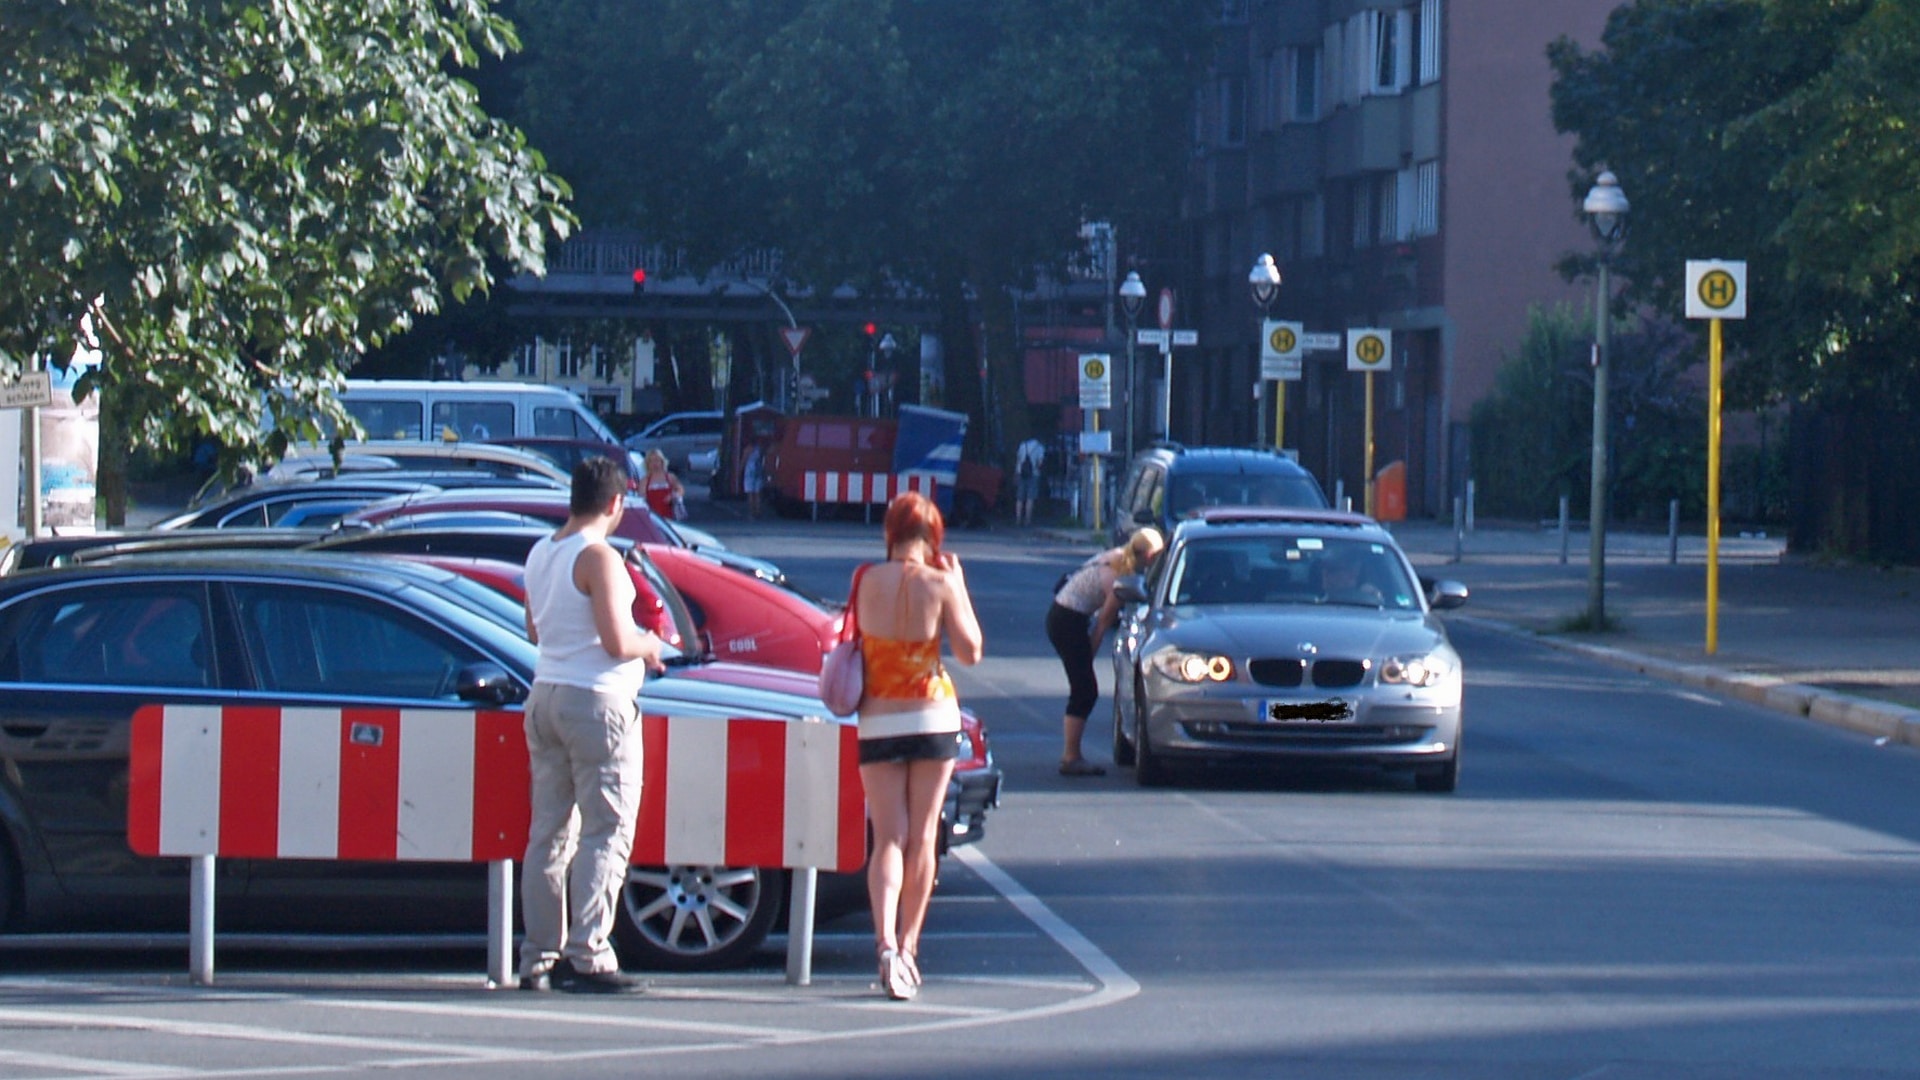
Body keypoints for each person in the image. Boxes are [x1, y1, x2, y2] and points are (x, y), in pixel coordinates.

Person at [518, 456, 668, 994]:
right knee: (606, 830)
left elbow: (535, 629)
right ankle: (589, 952)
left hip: (546, 693)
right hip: (598, 700)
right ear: (615, 504)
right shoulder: (599, 557)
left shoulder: (541, 552)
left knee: (550, 832)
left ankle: (539, 954)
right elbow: (616, 642)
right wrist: (650, 645)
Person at [851, 491, 983, 1000]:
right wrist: (959, 588)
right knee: (923, 836)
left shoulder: (865, 580)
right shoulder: (940, 582)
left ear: (890, 532)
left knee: (887, 837)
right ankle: (908, 949)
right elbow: (970, 651)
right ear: (933, 538)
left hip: (878, 716)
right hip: (932, 714)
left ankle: (883, 944)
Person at [1046, 528, 1166, 776]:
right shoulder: (1120, 578)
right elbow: (1103, 622)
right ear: (1143, 555)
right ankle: (1070, 756)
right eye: (1154, 558)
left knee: (1083, 688)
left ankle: (1071, 754)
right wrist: (1087, 656)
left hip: (1064, 615)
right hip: (1068, 620)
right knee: (1084, 690)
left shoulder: (1118, 556)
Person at [641, 449, 684, 521]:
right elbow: (642, 500)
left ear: (662, 462)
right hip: (653, 518)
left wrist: (673, 496)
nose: (655, 464)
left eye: (657, 460)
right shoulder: (644, 481)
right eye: (651, 461)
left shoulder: (670, 477)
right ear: (647, 464)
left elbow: (680, 490)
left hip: (669, 516)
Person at [1014, 436, 1046, 526]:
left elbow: (1018, 460)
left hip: (1021, 473)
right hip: (1034, 474)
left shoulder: (1022, 445)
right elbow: (1040, 463)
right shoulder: (1040, 448)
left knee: (1019, 498)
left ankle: (1018, 519)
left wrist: (1016, 472)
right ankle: (1027, 520)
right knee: (1030, 498)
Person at [742, 441, 766, 520]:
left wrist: (740, 470)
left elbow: (744, 460)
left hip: (750, 471)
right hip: (758, 470)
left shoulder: (748, 449)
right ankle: (758, 511)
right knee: (757, 494)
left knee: (750, 494)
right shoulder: (759, 449)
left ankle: (752, 512)